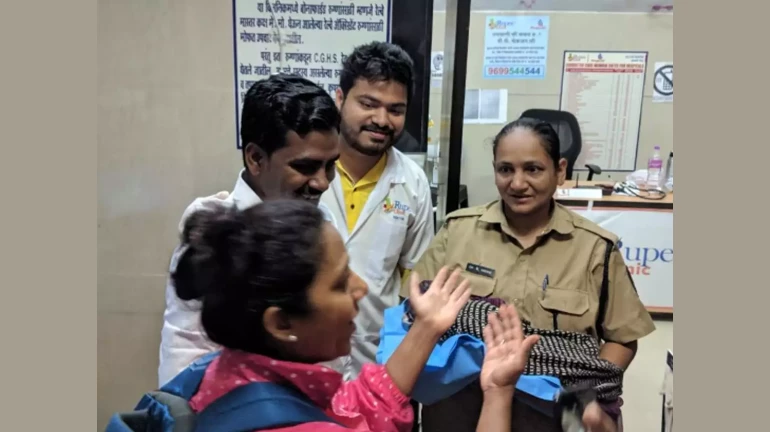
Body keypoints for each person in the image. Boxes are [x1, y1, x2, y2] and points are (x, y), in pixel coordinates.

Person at [159, 199, 541, 431]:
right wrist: (497, 398)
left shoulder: (220, 374)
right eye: (341, 283)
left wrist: (426, 328)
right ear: (281, 322)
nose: (362, 289)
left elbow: (356, 411)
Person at [403, 117, 656, 432]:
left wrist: (583, 397)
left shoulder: (594, 249)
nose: (517, 183)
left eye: (533, 169)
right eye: (505, 169)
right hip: (461, 408)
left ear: (559, 170)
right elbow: (412, 316)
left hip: (550, 416)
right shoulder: (457, 232)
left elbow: (622, 338)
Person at [157, 74, 343, 387]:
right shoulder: (216, 232)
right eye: (306, 167)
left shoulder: (322, 223)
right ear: (256, 158)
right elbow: (184, 359)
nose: (323, 182)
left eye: (331, 166)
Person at [321, 41, 435, 381]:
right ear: (340, 99)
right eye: (368, 104)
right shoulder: (308, 169)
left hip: (376, 360)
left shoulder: (412, 183)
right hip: (300, 357)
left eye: (395, 110)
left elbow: (415, 280)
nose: (381, 120)